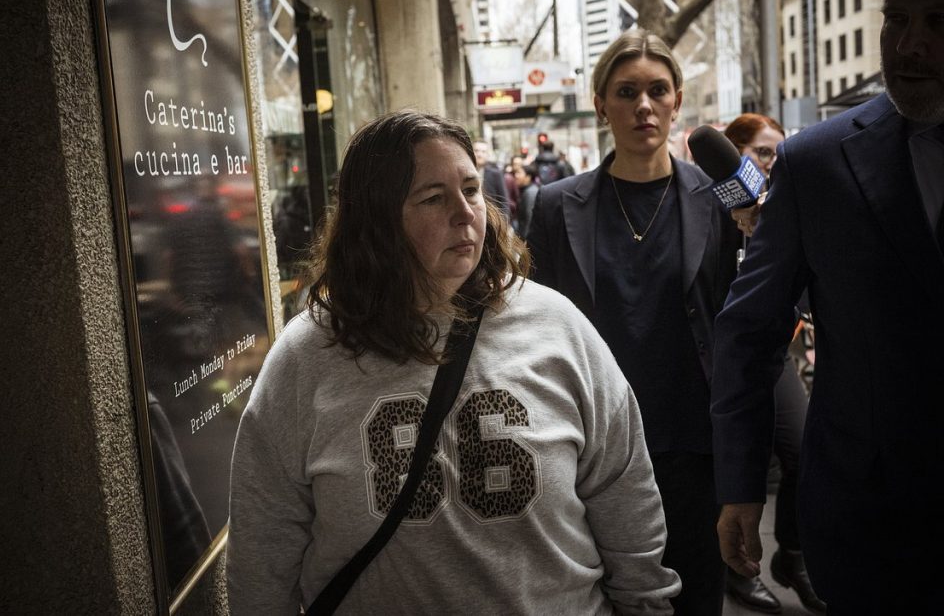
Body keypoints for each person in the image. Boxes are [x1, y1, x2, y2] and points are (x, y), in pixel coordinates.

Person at [227, 110, 681, 614]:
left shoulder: (557, 325)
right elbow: (263, 548)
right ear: (376, 220)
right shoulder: (306, 355)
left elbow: (624, 491)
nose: (465, 213)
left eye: (471, 190)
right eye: (433, 198)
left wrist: (647, 604)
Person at [711, 0, 944, 612]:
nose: (910, 44)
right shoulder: (818, 163)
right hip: (872, 531)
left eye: (938, 21)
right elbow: (750, 331)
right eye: (896, 17)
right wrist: (741, 485)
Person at [527, 28, 740, 615]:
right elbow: (531, 322)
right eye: (626, 92)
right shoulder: (556, 206)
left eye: (657, 91)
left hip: (692, 441)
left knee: (697, 594)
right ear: (601, 106)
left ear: (677, 101)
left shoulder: (720, 199)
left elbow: (743, 318)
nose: (643, 105)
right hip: (593, 447)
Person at [719, 114, 825, 614]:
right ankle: (736, 568)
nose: (770, 164)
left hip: (774, 351)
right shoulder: (708, 203)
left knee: (802, 448)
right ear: (733, 154)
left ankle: (793, 555)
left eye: (776, 155)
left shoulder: (785, 204)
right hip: (715, 353)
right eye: (761, 153)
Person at [473, 138, 510, 223]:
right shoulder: (464, 173)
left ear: (487, 155)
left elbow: (504, 201)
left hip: (491, 222)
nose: (479, 154)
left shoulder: (496, 174)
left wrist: (503, 223)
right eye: (476, 150)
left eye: (483, 151)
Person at [513, 161, 539, 239]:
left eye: (519, 173)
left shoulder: (530, 192)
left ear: (528, 177)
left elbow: (529, 218)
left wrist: (525, 241)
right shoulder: (526, 190)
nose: (516, 175)